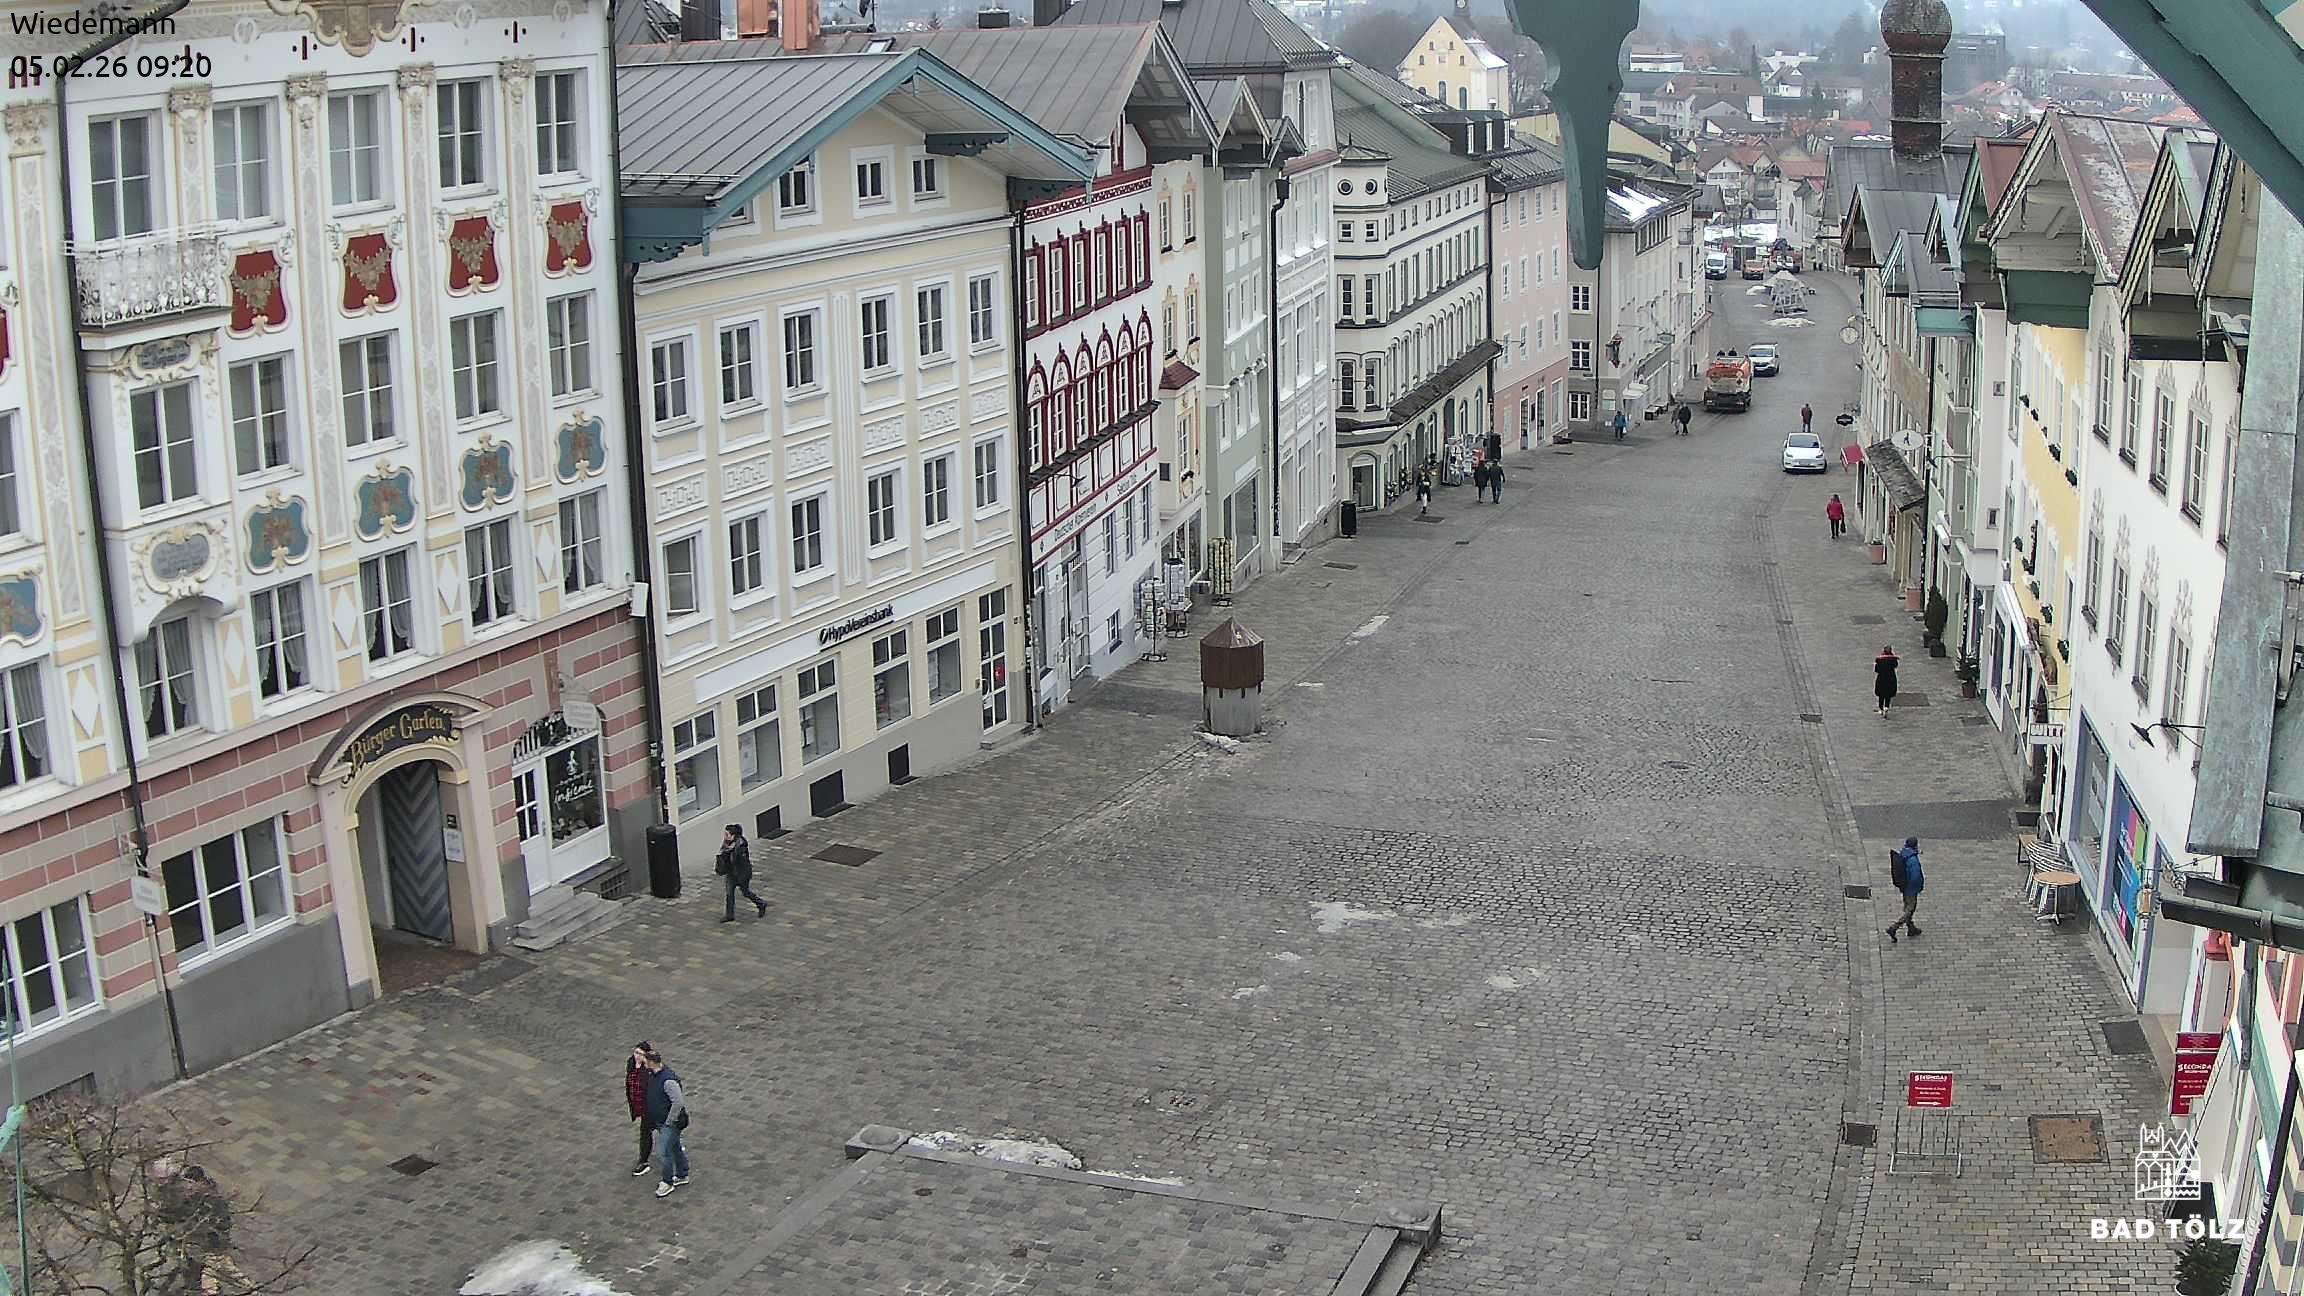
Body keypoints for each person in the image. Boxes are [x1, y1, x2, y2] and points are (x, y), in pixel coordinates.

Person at [643, 1048, 689, 1197]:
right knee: (674, 1147)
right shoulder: (654, 1074)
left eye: (645, 1061)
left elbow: (678, 1103)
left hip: (669, 1123)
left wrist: (669, 1121)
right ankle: (682, 1174)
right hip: (661, 1120)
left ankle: (667, 1182)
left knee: (663, 1152)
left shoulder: (668, 1080)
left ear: (651, 1062)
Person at [715, 824, 767, 923]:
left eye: (727, 834)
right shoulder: (727, 843)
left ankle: (761, 904)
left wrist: (740, 875)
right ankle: (729, 915)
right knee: (729, 894)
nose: (725, 836)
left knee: (746, 892)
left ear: (733, 835)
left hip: (741, 874)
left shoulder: (741, 846)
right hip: (731, 873)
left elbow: (742, 863)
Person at [626, 1043, 658, 1176]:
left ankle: (643, 1161)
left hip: (652, 1108)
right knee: (647, 1132)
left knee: (654, 1131)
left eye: (640, 1054)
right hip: (640, 1106)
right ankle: (643, 1160)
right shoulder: (631, 1064)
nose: (637, 1056)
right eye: (635, 1053)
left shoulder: (650, 1070)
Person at [1886, 836, 1925, 942]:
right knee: (1910, 909)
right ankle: (1894, 928)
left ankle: (1911, 928)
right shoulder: (1912, 859)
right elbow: (1916, 876)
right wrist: (1918, 887)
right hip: (1911, 889)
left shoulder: (1904, 853)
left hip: (1904, 886)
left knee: (1908, 907)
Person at [1873, 644, 1900, 716]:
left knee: (1881, 695)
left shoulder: (1880, 659)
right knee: (1888, 694)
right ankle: (1886, 707)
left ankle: (1881, 708)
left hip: (1881, 678)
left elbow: (1876, 670)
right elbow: (1896, 665)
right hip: (1890, 678)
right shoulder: (1893, 659)